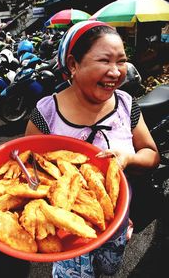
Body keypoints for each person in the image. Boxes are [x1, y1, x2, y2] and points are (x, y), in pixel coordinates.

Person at [25, 20, 160, 277]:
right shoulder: (46, 113)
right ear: (74, 65)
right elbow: (28, 170)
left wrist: (128, 159)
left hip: (115, 223)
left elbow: (152, 155)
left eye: (121, 61)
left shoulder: (126, 105)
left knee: (108, 269)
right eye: (104, 60)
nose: (116, 71)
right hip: (67, 233)